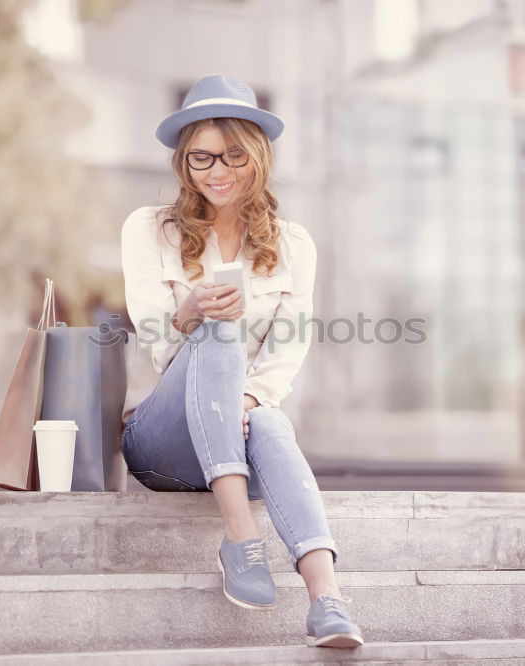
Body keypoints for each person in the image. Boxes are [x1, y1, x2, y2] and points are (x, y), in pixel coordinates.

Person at [119, 75, 364, 649]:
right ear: (184, 164)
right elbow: (153, 337)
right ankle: (240, 533)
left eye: (233, 156)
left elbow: (287, 353)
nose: (218, 171)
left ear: (256, 157)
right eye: (201, 158)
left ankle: (327, 599)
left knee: (274, 418)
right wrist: (187, 314)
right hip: (162, 443)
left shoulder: (293, 244)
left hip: (245, 434)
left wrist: (249, 401)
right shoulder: (149, 229)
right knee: (219, 335)